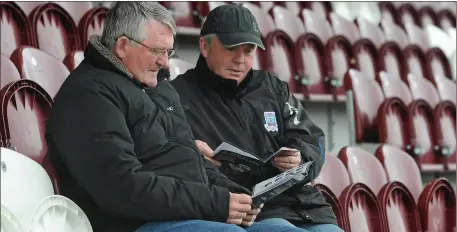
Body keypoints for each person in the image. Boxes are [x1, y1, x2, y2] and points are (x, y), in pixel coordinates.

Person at [45, 2, 312, 232]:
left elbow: (189, 160)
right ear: (123, 46)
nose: (165, 62)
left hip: (186, 216)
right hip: (135, 224)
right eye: (157, 51)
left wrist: (236, 195)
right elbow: (121, 188)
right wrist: (217, 203)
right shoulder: (89, 95)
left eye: (169, 52)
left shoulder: (157, 87)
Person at [171, 4, 344, 232]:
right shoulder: (177, 96)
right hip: (255, 214)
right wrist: (193, 155)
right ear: (205, 46)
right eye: (231, 49)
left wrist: (300, 159)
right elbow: (168, 158)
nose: (240, 60)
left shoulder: (272, 86)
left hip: (309, 209)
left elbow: (313, 140)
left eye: (248, 50)